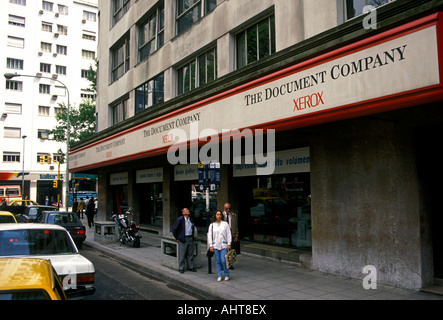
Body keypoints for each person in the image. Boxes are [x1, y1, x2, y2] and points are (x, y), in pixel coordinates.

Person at [208, 210, 232, 282]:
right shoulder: (212, 225)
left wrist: (229, 243)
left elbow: (228, 234)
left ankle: (226, 274)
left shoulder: (225, 224)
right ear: (215, 216)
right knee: (217, 261)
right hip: (215, 245)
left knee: (223, 260)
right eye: (217, 214)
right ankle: (219, 275)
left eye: (220, 214)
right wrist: (211, 245)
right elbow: (210, 235)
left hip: (223, 245)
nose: (219, 216)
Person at [172, 208, 196, 274]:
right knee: (182, 254)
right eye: (185, 210)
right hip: (183, 238)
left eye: (188, 210)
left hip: (190, 237)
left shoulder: (190, 219)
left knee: (190, 253)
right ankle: (181, 267)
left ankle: (191, 266)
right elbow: (174, 229)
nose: (187, 211)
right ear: (183, 213)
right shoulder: (180, 219)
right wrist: (177, 237)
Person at [223, 203, 239, 269]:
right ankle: (223, 264)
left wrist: (236, 235)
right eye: (226, 209)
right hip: (223, 235)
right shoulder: (221, 215)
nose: (228, 210)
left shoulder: (233, 215)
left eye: (229, 208)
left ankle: (230, 264)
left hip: (231, 233)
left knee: (231, 250)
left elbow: (236, 226)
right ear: (224, 208)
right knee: (224, 250)